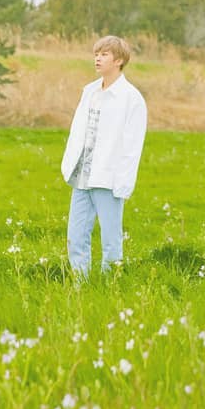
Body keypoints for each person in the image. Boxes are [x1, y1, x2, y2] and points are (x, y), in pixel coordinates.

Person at [61, 35, 148, 279]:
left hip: (108, 178)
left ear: (118, 60)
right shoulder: (89, 91)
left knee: (111, 239)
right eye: (96, 54)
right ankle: (80, 285)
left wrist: (123, 182)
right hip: (82, 176)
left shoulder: (131, 99)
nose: (97, 59)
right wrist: (68, 163)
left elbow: (132, 146)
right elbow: (77, 132)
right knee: (76, 236)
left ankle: (110, 285)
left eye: (104, 54)